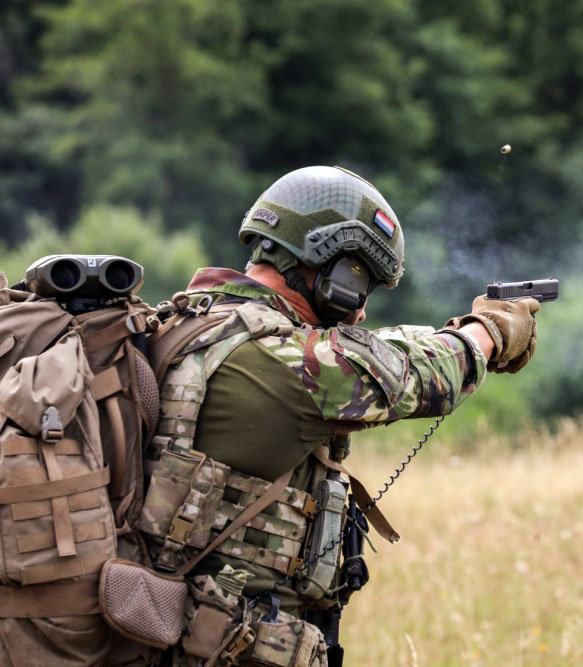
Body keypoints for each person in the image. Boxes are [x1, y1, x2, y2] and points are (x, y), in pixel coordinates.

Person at [139, 166, 540, 666]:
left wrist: (457, 328)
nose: (363, 311)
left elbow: (372, 347)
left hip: (166, 629)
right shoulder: (285, 362)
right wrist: (489, 333)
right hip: (222, 645)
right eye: (363, 286)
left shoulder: (195, 323)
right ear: (338, 270)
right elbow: (413, 376)